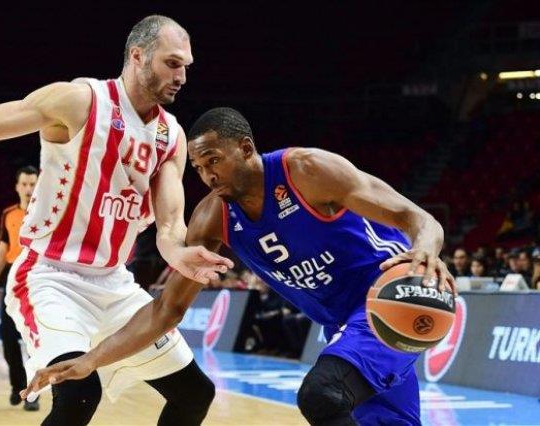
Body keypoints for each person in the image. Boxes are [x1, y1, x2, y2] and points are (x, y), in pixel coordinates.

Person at [22, 107, 456, 425]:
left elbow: (417, 218)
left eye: (214, 159)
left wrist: (426, 251)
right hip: (343, 324)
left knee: (322, 395)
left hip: (392, 301)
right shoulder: (212, 218)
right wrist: (91, 360)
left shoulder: (307, 170)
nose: (207, 174)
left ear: (246, 149)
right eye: (198, 167)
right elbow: (166, 310)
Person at [0, 16, 233, 426]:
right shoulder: (80, 100)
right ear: (138, 56)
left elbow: (170, 227)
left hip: (114, 283)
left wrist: (182, 256)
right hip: (50, 276)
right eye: (172, 63)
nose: (182, 76)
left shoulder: (171, 136)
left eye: (186, 66)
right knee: (79, 393)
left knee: (195, 394)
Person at [0, 166, 40, 411]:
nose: (29, 189)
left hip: (37, 277)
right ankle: (17, 385)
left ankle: (33, 392)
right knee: (7, 335)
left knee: (34, 339)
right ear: (17, 187)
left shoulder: (47, 211)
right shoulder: (8, 214)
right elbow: (3, 247)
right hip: (12, 278)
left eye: (33, 184)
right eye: (25, 184)